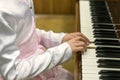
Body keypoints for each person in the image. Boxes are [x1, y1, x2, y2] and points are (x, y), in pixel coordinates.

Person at [0, 0, 90, 80]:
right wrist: (62, 51)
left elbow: (27, 32)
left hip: (38, 65)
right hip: (25, 72)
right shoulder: (3, 11)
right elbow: (12, 73)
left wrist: (59, 39)